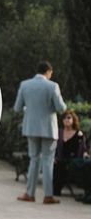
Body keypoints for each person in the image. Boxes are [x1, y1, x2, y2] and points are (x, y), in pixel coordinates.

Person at [14, 61, 66, 204]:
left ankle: (30, 194)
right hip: (49, 128)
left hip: (31, 128)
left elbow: (17, 107)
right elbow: (61, 108)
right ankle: (48, 195)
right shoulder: (52, 86)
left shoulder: (25, 85)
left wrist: (29, 110)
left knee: (34, 159)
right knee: (48, 162)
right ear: (48, 72)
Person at [53, 110, 86, 196]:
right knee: (57, 164)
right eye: (64, 118)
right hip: (60, 159)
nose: (66, 120)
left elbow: (83, 149)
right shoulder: (59, 132)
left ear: (73, 119)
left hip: (73, 160)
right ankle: (56, 190)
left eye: (69, 118)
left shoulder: (79, 134)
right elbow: (53, 147)